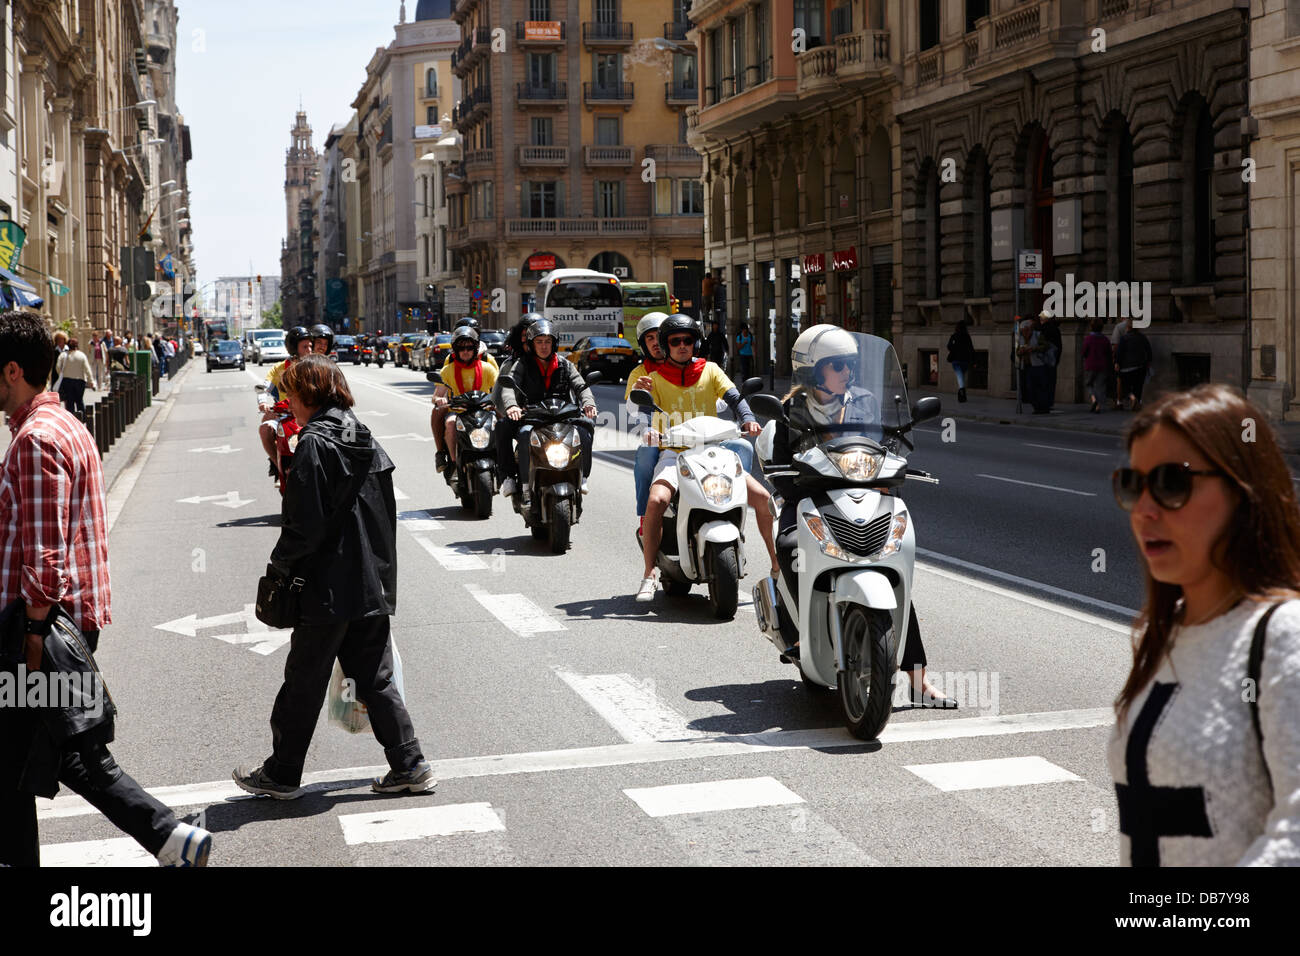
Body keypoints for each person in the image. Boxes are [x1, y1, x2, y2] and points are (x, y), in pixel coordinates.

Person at [0, 310, 212, 867]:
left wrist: (30, 646)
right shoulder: (68, 425)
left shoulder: (36, 440)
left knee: (52, 754)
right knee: (32, 753)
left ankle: (169, 834)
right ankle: (171, 837)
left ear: (13, 370)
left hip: (38, 628)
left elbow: (45, 558)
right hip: (64, 624)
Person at [1108, 383, 1300, 865]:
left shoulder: (1283, 636)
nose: (1145, 510)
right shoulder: (1167, 630)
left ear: (1242, 491)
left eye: (1172, 483)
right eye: (1133, 485)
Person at [234, 355, 435, 799]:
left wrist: (281, 571)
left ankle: (283, 773)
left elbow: (303, 526)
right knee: (375, 677)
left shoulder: (314, 443)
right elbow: (387, 515)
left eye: (291, 393)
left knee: (304, 679)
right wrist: (382, 575)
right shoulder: (363, 436)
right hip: (370, 581)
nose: (287, 401)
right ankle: (410, 764)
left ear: (309, 394)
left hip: (326, 586)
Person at [765, 324, 955, 707]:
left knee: (891, 568)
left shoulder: (864, 400)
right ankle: (802, 630)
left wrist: (893, 462)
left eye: (850, 366)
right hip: (811, 498)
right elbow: (779, 466)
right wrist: (793, 478)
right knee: (788, 546)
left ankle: (919, 680)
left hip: (860, 494)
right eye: (838, 366)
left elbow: (886, 442)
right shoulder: (793, 410)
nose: (847, 374)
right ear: (813, 371)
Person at [636, 314, 778, 601]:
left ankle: (777, 566)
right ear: (666, 345)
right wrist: (648, 431)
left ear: (695, 342)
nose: (682, 346)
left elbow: (736, 398)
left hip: (715, 452)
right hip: (674, 455)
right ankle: (649, 572)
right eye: (675, 342)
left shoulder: (710, 370)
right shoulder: (653, 379)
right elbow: (645, 413)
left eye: (688, 340)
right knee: (656, 501)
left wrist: (748, 419)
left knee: (763, 498)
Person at [497, 318, 597, 498]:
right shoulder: (522, 364)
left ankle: (583, 476)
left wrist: (589, 403)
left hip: (562, 414)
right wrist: (512, 406)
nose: (544, 346)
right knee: (505, 427)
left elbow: (581, 386)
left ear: (554, 343)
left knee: (586, 428)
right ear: (532, 344)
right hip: (532, 417)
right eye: (539, 342)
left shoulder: (565, 364)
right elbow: (508, 388)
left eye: (548, 341)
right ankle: (510, 477)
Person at [432, 325, 498, 472]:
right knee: (449, 423)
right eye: (461, 348)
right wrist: (439, 399)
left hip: (484, 410)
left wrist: (501, 401)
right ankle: (454, 464)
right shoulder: (447, 370)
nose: (466, 351)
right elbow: (437, 394)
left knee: (500, 423)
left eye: (469, 347)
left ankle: (504, 462)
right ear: (455, 350)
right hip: (458, 411)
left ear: (475, 348)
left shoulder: (488, 367)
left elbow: (500, 390)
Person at [627, 312, 670, 528]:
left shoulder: (692, 365)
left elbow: (718, 396)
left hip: (696, 435)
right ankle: (646, 516)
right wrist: (646, 429)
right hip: (660, 438)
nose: (655, 343)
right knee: (645, 457)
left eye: (659, 337)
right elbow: (633, 408)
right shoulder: (640, 373)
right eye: (649, 339)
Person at [259, 326, 313, 470]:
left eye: (310, 346)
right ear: (294, 348)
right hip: (285, 416)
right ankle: (279, 467)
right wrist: (262, 402)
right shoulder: (279, 369)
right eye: (305, 347)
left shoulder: (315, 367)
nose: (309, 350)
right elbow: (264, 388)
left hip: (311, 415)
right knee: (265, 429)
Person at [1015, 318, 1050, 414]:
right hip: (1027, 366)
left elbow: (1046, 346)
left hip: (1038, 365)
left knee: (1041, 387)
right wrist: (1020, 352)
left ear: (1030, 329)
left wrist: (1034, 348)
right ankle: (1036, 406)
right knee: (1030, 388)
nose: (1024, 333)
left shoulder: (1038, 335)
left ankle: (1043, 407)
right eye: (1022, 331)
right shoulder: (1020, 338)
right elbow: (1016, 351)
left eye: (1026, 330)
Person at [1116, 323, 1153, 411]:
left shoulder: (1124, 338)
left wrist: (1117, 363)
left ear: (1128, 328)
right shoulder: (1142, 337)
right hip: (1140, 366)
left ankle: (1132, 398)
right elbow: (1149, 350)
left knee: (1125, 386)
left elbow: (1120, 352)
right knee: (1138, 386)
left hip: (1126, 367)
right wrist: (1148, 362)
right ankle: (1138, 402)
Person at [55, 338, 92, 417]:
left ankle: (71, 418)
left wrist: (62, 374)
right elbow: (87, 369)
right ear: (77, 345)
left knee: (69, 402)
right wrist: (90, 381)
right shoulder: (81, 355)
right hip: (80, 381)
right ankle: (82, 418)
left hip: (67, 380)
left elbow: (58, 367)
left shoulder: (63, 355)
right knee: (79, 400)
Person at [1081, 318, 1112, 414]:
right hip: (1102, 365)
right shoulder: (1105, 339)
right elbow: (1109, 353)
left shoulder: (1088, 339)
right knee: (1100, 386)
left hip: (1090, 365)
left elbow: (1084, 352)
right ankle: (1098, 406)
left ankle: (1094, 399)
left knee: (1089, 384)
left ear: (1091, 327)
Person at [946, 318, 975, 403]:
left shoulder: (954, 336)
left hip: (956, 360)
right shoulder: (967, 337)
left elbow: (949, 346)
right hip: (965, 360)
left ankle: (962, 393)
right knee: (961, 376)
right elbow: (971, 348)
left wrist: (955, 347)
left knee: (960, 377)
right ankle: (962, 394)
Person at [1038, 310, 1062, 412]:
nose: (1039, 320)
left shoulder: (1040, 329)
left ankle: (1043, 402)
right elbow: (1059, 346)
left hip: (1042, 360)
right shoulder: (1056, 329)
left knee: (1042, 382)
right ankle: (1049, 402)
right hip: (1053, 360)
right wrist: (1057, 359)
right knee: (1051, 382)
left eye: (1041, 318)